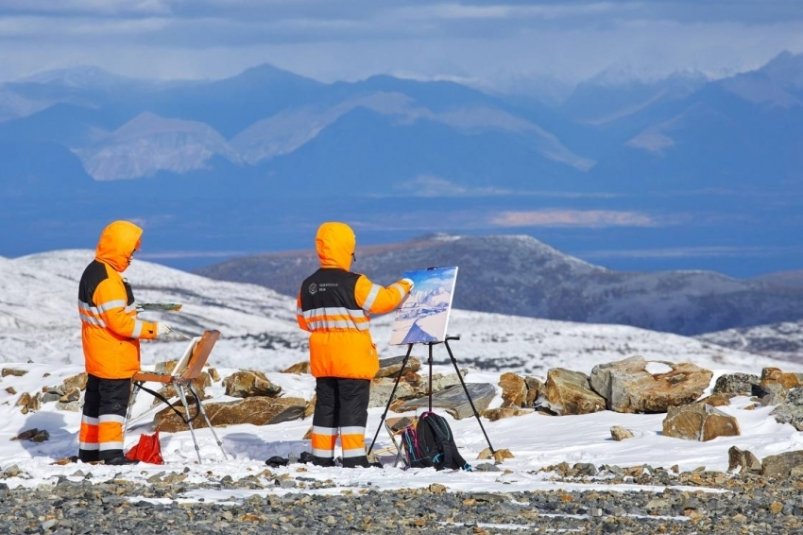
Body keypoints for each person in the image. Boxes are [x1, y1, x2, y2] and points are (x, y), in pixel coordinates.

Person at [297, 222, 413, 468]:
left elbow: (303, 321)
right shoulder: (355, 282)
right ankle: (354, 459)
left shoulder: (307, 285)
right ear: (346, 248)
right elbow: (383, 301)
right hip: (351, 357)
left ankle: (321, 456)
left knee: (326, 406)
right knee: (352, 407)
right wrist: (405, 285)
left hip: (323, 358)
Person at [77, 220, 171, 465]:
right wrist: (153, 329)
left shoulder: (94, 270)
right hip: (113, 354)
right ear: (119, 247)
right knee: (113, 406)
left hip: (98, 352)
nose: (132, 257)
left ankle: (88, 452)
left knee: (94, 404)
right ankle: (111, 454)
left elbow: (106, 312)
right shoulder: (108, 281)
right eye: (130, 251)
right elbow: (119, 323)